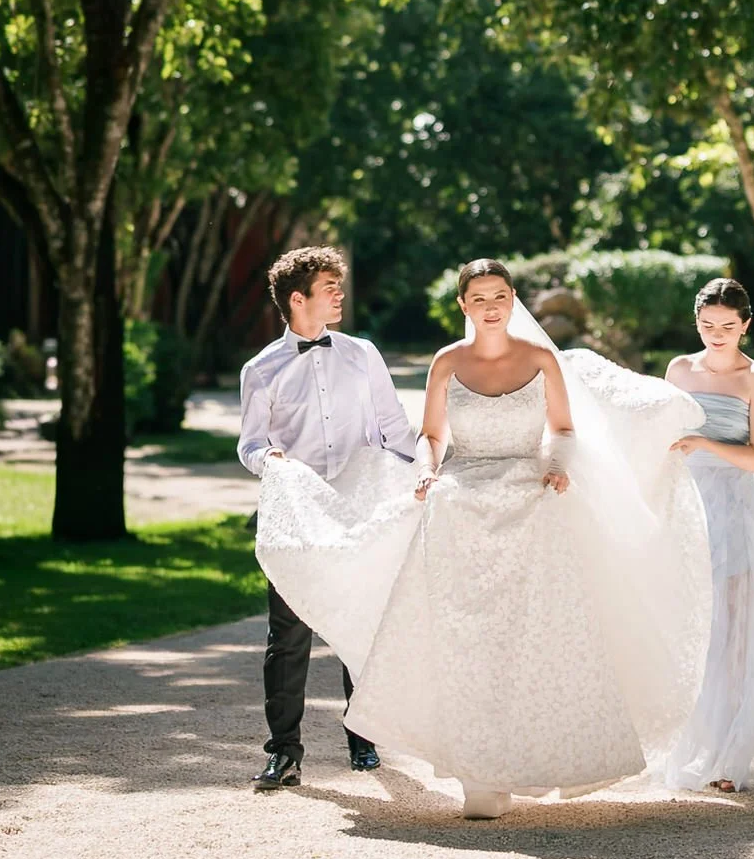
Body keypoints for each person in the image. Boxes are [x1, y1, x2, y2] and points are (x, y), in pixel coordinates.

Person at [256, 259, 712, 820]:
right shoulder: (446, 361)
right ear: (463, 306)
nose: (491, 306)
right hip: (456, 504)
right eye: (480, 297)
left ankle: (514, 756)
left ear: (512, 299)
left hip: (529, 500)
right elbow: (428, 435)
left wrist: (557, 465)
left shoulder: (538, 359)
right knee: (457, 640)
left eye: (500, 296)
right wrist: (426, 471)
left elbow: (560, 430)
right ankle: (467, 769)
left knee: (531, 636)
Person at [237, 245, 418, 790]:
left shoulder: (363, 354)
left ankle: (361, 733)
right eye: (330, 287)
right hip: (298, 514)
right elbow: (250, 444)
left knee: (359, 620)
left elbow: (394, 428)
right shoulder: (261, 369)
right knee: (288, 633)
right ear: (299, 299)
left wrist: (430, 469)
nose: (341, 294)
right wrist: (268, 458)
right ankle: (284, 753)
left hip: (359, 506)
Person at [664, 277, 754, 793]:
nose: (717, 334)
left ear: (745, 326)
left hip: (734, 506)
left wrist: (703, 441)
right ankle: (686, 748)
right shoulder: (679, 370)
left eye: (728, 327)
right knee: (688, 628)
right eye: (708, 325)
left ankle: (730, 758)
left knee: (733, 631)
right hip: (687, 505)